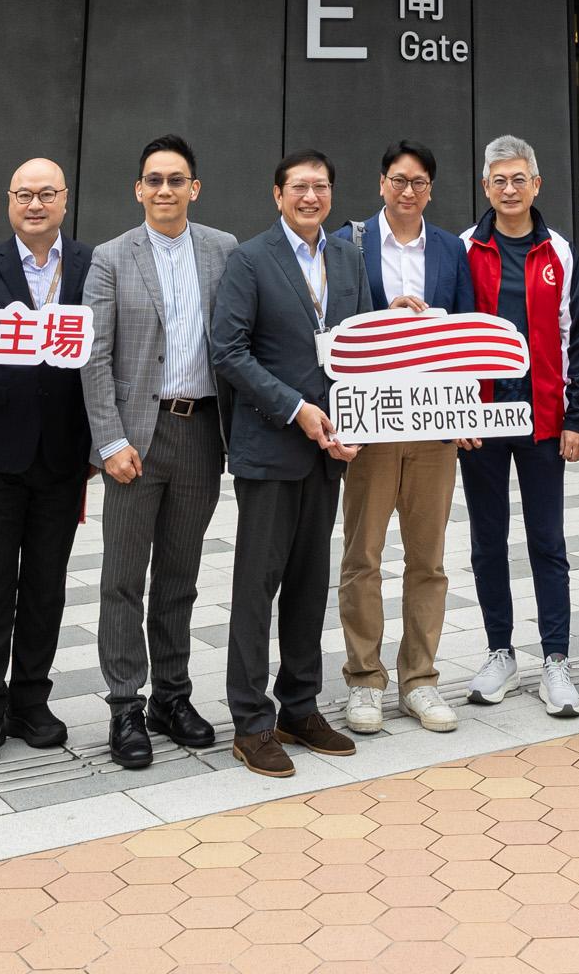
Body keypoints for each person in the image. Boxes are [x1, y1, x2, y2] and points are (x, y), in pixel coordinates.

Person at [210, 150, 367, 778]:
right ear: (277, 195)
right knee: (257, 586)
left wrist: (354, 419)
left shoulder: (349, 258)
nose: (311, 196)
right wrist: (295, 408)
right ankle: (250, 721)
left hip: (329, 452)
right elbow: (228, 350)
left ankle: (299, 706)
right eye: (299, 187)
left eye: (321, 186)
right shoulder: (248, 260)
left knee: (309, 584)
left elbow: (357, 344)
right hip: (272, 447)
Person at [79, 135, 233, 770]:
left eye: (177, 180)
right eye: (153, 180)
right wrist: (109, 440)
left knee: (179, 576)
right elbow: (94, 355)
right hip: (135, 440)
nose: (165, 190)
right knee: (122, 578)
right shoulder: (112, 258)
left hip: (200, 432)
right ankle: (124, 705)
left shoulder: (226, 251)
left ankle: (173, 695)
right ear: (138, 190)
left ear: (194, 188)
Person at [0, 158, 93, 767]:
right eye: (24, 194)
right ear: (9, 201)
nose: (35, 204)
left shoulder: (91, 265)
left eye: (46, 194)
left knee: (44, 587)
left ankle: (32, 699)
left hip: (63, 454)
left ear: (64, 200)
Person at [335, 142, 473, 736]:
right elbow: (336, 323)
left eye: (418, 182)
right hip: (372, 423)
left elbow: (465, 328)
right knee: (362, 556)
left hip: (435, 424)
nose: (407, 191)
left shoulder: (449, 248)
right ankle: (364, 680)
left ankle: (420, 679)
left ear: (431, 189)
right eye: (398, 180)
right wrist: (382, 315)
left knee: (429, 560)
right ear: (381, 183)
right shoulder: (351, 243)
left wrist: (467, 410)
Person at [456, 136, 579, 720]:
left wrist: (576, 417)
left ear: (537, 185)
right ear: (486, 188)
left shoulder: (558, 251)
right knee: (488, 541)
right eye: (498, 181)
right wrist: (457, 413)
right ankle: (499, 651)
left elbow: (578, 338)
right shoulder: (462, 249)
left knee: (548, 541)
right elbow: (449, 338)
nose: (509, 190)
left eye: (519, 179)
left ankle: (555, 660)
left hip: (542, 422)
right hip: (482, 421)